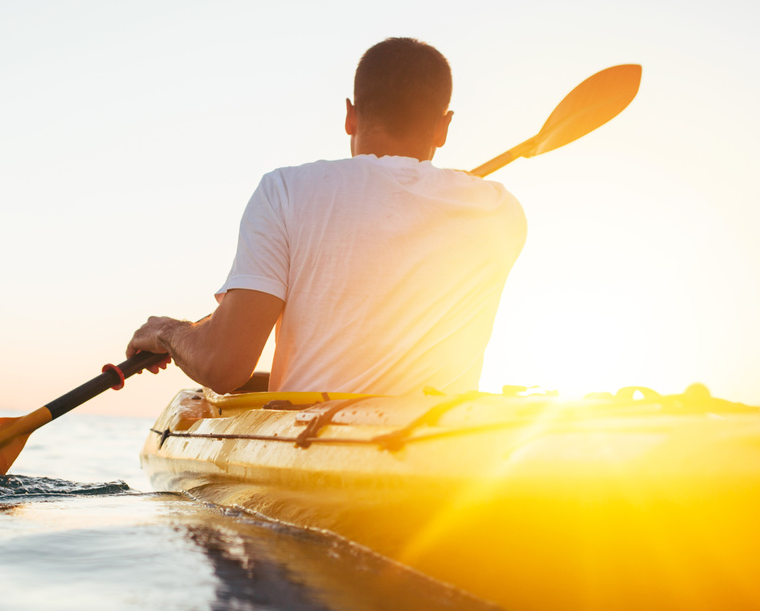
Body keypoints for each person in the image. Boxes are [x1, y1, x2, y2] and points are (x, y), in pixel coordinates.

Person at [126, 37, 527, 396]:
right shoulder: (499, 210)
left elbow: (223, 365)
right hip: (442, 447)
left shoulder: (284, 190)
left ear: (350, 115)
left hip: (304, 449)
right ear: (444, 127)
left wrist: (168, 332)